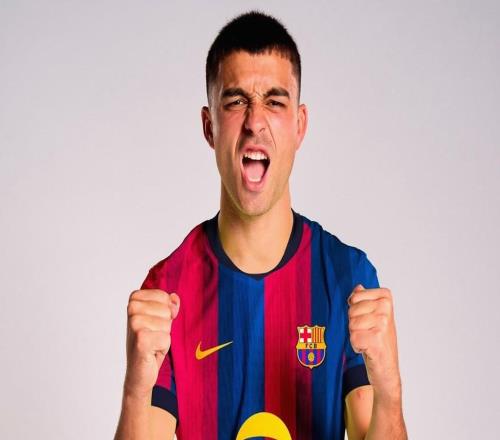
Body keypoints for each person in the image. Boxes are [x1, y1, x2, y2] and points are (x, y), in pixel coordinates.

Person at [114, 10, 407, 440]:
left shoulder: (347, 277)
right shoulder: (169, 288)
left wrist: (391, 390)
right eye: (236, 102)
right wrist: (135, 392)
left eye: (274, 101)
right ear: (209, 127)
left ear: (299, 126)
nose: (255, 121)